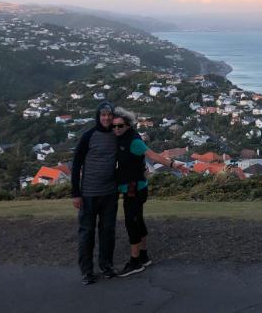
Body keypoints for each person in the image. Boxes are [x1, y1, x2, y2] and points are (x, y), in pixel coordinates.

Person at [112, 106, 184, 277]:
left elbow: (153, 156)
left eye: (120, 126)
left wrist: (173, 164)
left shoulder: (134, 141)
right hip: (131, 188)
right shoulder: (119, 138)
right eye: (113, 126)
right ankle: (144, 256)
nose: (116, 129)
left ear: (128, 125)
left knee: (132, 223)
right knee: (138, 221)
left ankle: (135, 261)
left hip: (135, 190)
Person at [71, 101, 119, 284]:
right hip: (89, 194)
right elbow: (76, 165)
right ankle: (87, 271)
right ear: (98, 117)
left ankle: (106, 265)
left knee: (108, 231)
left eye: (109, 115)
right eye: (103, 115)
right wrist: (75, 193)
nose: (106, 118)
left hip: (110, 193)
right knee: (87, 233)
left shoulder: (116, 135)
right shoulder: (88, 136)